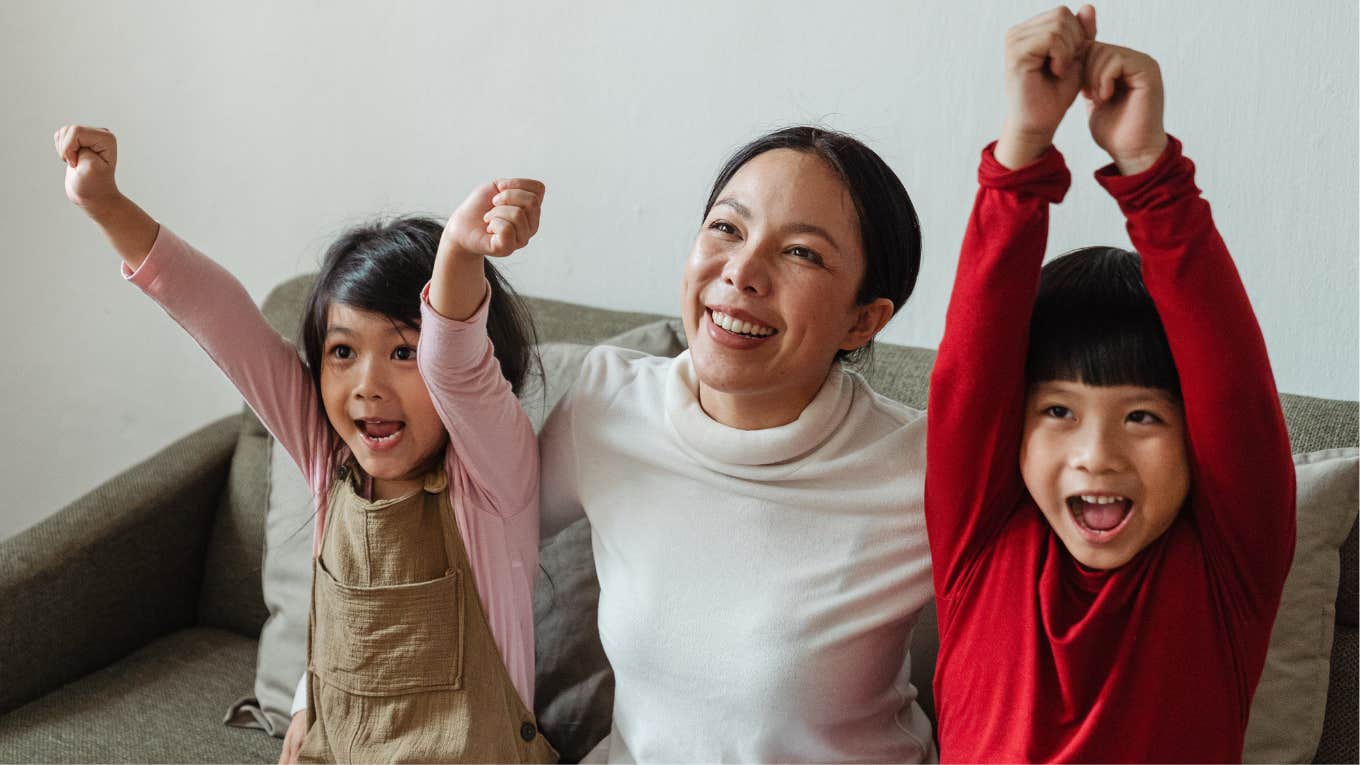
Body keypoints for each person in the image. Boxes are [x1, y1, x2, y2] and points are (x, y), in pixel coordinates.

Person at [54, 125, 559, 764]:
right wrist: (105, 204)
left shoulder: (492, 473)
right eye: (342, 352)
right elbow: (218, 314)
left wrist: (459, 253)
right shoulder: (330, 458)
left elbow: (457, 359)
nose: (367, 387)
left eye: (404, 351)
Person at [924, 6, 1295, 761]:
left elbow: (1236, 395)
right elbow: (970, 375)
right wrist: (1022, 146)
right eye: (1059, 409)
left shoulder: (1227, 572)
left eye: (1144, 418)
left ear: (1194, 436)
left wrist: (1151, 174)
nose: (1097, 454)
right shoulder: (981, 542)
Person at [539, 126, 936, 762]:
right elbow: (455, 540)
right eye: (727, 228)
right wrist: (322, 693)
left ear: (863, 320)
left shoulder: (920, 467)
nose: (742, 272)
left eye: (802, 254)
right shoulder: (608, 404)